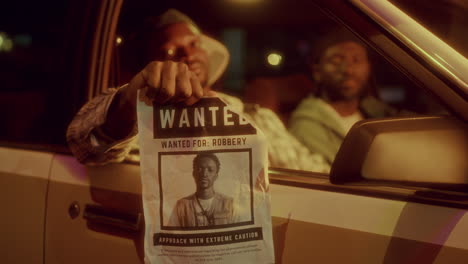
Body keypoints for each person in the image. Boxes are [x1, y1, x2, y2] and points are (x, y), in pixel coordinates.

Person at [66, 9, 330, 173]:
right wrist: (130, 98)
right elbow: (86, 145)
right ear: (152, 63)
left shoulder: (255, 115)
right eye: (170, 50)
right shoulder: (142, 118)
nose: (188, 54)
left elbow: (310, 168)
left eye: (194, 43)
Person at [289, 34, 400, 165]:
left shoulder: (379, 113)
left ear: (369, 68)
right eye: (336, 61)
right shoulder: (307, 126)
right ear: (317, 72)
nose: (348, 70)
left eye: (356, 60)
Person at [169, 153, 235, 227]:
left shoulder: (229, 204)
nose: (204, 174)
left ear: (216, 176)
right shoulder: (181, 206)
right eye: (200, 169)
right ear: (194, 173)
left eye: (210, 170)